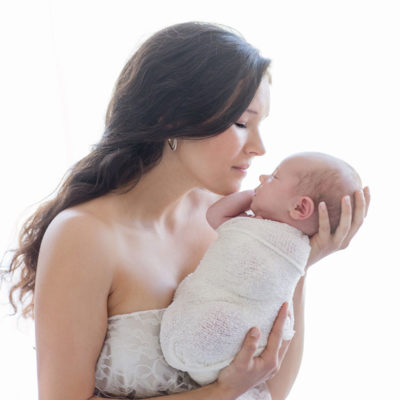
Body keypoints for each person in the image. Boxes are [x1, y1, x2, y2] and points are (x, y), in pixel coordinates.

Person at [2, 21, 370, 400]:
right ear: (173, 119)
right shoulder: (83, 235)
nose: (259, 147)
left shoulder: (239, 224)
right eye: (242, 122)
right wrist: (222, 392)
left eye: (261, 125)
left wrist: (298, 264)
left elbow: (270, 389)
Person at [160, 152, 362, 394]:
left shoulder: (263, 235)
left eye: (273, 178)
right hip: (223, 356)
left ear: (300, 206)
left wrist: (252, 197)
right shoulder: (293, 247)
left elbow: (215, 216)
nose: (262, 176)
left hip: (213, 340)